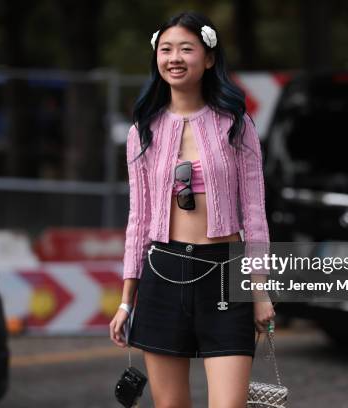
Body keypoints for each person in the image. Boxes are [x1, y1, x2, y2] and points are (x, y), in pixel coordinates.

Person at [109, 11, 275, 408]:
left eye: (187, 48)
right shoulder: (142, 131)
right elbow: (139, 219)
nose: (175, 57)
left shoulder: (237, 124)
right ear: (157, 58)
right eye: (166, 49)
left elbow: (254, 210)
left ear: (209, 58)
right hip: (163, 272)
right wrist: (125, 301)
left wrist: (261, 291)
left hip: (225, 272)